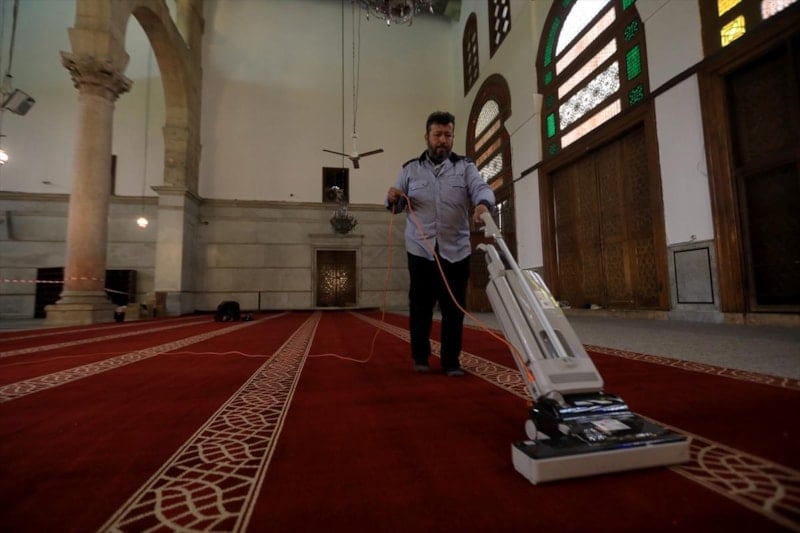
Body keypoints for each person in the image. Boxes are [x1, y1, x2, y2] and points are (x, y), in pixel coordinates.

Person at [386, 111, 495, 377]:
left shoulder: (465, 167)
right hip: (420, 250)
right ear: (427, 137)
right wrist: (394, 197)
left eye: (448, 135)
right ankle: (420, 358)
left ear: (452, 137)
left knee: (453, 308)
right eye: (437, 135)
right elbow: (396, 204)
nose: (443, 140)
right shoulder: (410, 169)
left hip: (456, 249)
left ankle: (451, 361)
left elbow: (481, 188)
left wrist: (482, 205)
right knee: (420, 307)